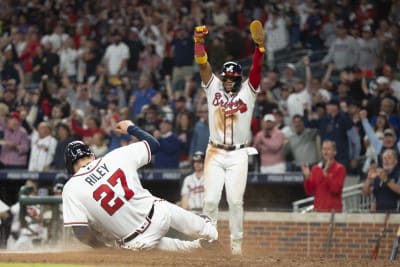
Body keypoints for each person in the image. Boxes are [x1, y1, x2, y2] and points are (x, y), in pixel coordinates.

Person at [62, 120, 217, 251]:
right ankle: (210, 233)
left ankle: (195, 248)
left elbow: (81, 233)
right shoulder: (115, 156)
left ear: (71, 168)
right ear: (91, 155)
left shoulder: (71, 188)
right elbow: (154, 145)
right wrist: (130, 127)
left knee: (177, 249)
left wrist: (104, 249)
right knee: (182, 216)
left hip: (136, 243)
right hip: (157, 215)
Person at [193, 20, 265, 255]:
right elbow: (203, 66)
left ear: (238, 79)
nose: (227, 81)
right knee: (211, 201)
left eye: (232, 78)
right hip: (214, 151)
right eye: (226, 77)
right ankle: (210, 240)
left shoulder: (248, 91)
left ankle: (236, 246)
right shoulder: (213, 87)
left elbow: (256, 71)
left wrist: (259, 49)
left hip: (238, 154)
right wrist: (199, 43)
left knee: (235, 202)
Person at [301, 140, 346, 212]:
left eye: (328, 149)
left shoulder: (340, 168)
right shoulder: (315, 168)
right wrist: (307, 177)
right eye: (324, 149)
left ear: (334, 152)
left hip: (333, 212)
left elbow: (336, 190)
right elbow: (309, 191)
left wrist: (326, 175)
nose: (326, 152)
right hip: (319, 210)